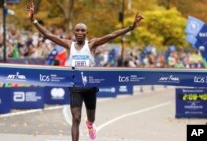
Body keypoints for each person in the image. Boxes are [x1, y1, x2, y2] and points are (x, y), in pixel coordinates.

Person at [27, 1, 143, 141]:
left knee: (91, 117)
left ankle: (90, 125)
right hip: (75, 86)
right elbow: (49, 35)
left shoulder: (92, 44)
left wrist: (131, 27)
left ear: (87, 33)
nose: (80, 32)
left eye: (83, 30)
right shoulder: (69, 45)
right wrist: (33, 20)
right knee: (76, 118)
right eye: (77, 30)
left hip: (90, 86)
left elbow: (112, 35)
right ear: (74, 33)